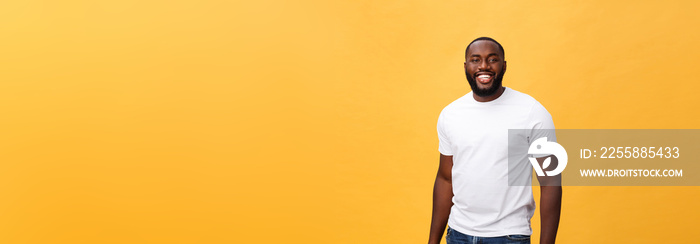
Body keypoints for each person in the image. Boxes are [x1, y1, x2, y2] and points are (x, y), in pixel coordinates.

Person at [427, 37, 562, 244]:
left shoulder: (532, 112)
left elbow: (550, 181)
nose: (484, 66)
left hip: (509, 236)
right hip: (458, 235)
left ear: (504, 66)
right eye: (475, 59)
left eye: (492, 59)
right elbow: (446, 178)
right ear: (466, 66)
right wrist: (432, 240)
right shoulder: (450, 114)